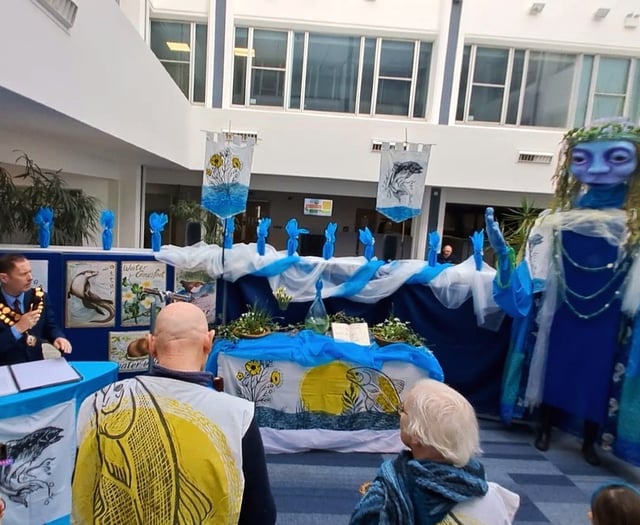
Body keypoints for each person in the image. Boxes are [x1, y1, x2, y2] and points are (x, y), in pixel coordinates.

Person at [485, 118, 640, 466]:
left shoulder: (633, 230)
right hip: (561, 317)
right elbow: (526, 289)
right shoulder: (551, 224)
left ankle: (589, 440)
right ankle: (545, 426)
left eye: (616, 158)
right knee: (556, 368)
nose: (598, 169)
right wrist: (506, 263)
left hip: (607, 323)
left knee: (597, 377)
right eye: (584, 158)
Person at [72, 302, 277, 525]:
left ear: (151, 345)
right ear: (209, 341)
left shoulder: (97, 403)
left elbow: (81, 489)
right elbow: (260, 515)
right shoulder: (237, 416)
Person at [349, 378, 519, 525]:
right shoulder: (490, 495)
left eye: (403, 411)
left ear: (416, 435)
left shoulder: (387, 497)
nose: (399, 414)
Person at [0, 253, 71, 365]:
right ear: (4, 278)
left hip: (35, 366)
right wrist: (18, 328)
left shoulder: (39, 297)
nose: (30, 278)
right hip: (5, 370)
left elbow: (50, 326)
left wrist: (57, 337)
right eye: (23, 274)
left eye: (30, 272)